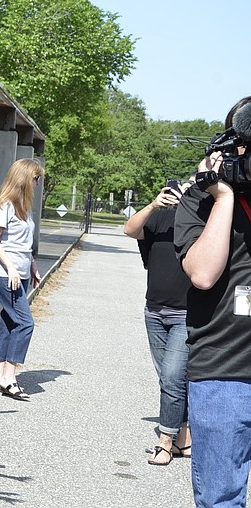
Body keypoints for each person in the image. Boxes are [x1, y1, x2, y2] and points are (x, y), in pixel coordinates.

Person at [174, 96, 251, 506]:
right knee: (222, 499)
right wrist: (223, 199)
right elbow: (203, 274)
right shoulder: (199, 200)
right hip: (226, 376)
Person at [124, 182, 193, 465]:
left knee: (173, 377)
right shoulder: (160, 217)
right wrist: (154, 204)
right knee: (170, 379)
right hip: (154, 312)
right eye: (179, 189)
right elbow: (130, 230)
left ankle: (165, 442)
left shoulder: (201, 221)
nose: (182, 193)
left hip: (185, 314)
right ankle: (184, 438)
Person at [0, 158, 44, 401]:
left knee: (10, 321)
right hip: (3, 272)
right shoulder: (5, 205)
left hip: (19, 271)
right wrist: (10, 267)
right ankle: (10, 377)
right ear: (24, 178)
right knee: (25, 322)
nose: (38, 182)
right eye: (35, 178)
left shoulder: (24, 207)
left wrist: (32, 265)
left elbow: (23, 244)